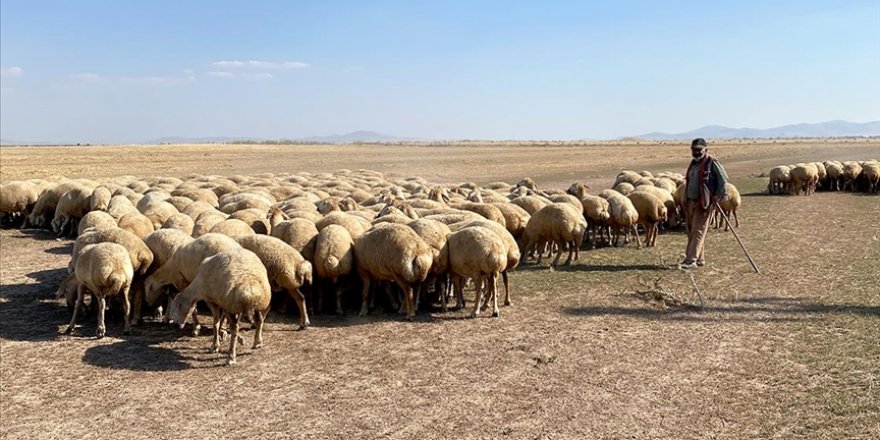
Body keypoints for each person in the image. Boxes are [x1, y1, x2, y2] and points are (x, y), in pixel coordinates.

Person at [680, 138, 728, 269]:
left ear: (706, 150)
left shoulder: (712, 162)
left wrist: (718, 196)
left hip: (704, 202)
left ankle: (691, 260)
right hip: (691, 202)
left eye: (699, 150)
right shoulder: (694, 163)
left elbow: (723, 180)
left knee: (697, 230)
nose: (696, 152)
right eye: (694, 150)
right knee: (691, 230)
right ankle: (700, 259)